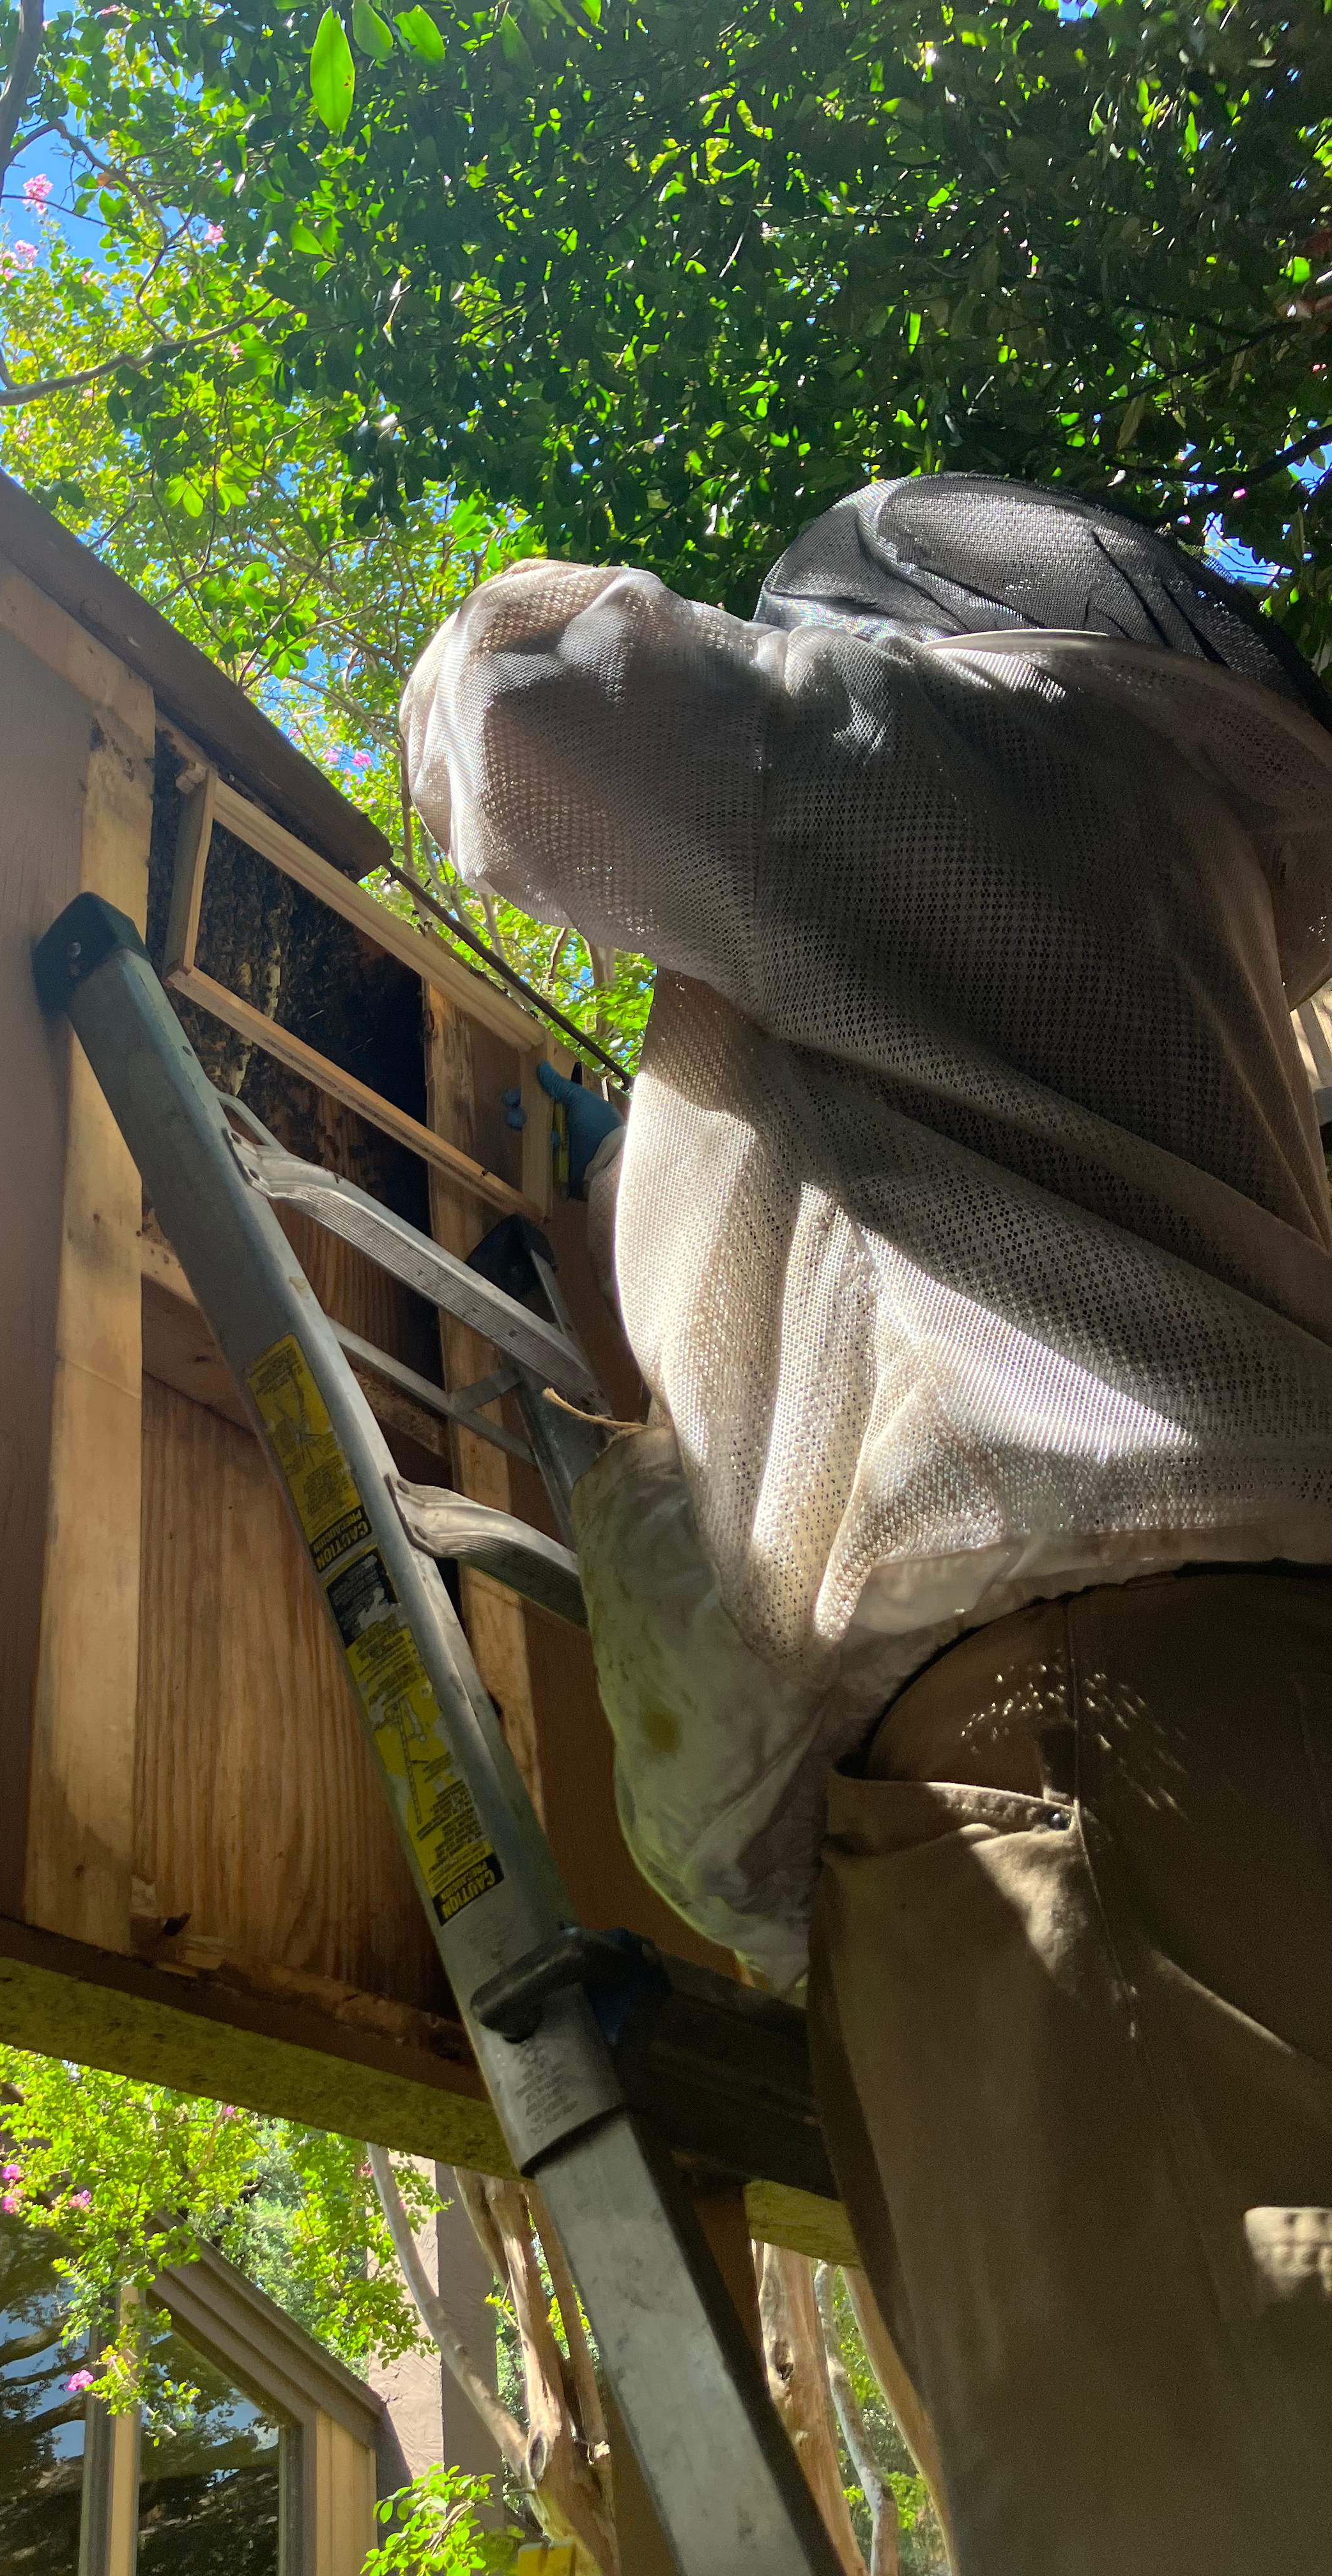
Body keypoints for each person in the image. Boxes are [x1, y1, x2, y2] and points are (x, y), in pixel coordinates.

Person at [399, 475, 1332, 2573]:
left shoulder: (950, 755)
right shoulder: (1210, 912)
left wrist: (529, 606)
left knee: (1212, 2480)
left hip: (1087, 1739)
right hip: (1202, 1712)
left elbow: (533, 703)